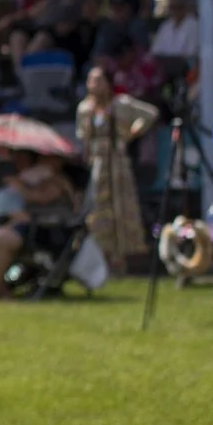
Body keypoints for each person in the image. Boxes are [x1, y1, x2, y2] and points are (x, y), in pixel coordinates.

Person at [75, 65, 159, 275]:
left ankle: (123, 258)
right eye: (90, 80)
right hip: (98, 164)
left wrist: (133, 131)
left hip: (118, 164)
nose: (93, 85)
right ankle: (104, 258)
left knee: (122, 207)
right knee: (98, 210)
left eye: (98, 80)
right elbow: (83, 138)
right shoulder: (85, 109)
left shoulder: (121, 104)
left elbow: (150, 113)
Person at [0, 150, 79, 302]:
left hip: (42, 232)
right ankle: (2, 290)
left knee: (0, 238)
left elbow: (41, 198)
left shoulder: (58, 182)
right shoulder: (24, 179)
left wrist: (19, 187)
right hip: (9, 226)